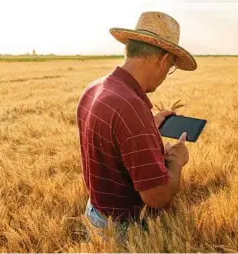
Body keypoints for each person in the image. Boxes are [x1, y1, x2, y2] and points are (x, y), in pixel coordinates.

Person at [75, 11, 198, 236]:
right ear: (162, 60)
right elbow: (156, 197)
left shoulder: (94, 88)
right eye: (171, 66)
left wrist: (147, 124)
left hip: (95, 212)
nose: (166, 74)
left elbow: (112, 142)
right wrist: (177, 162)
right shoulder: (130, 108)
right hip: (123, 231)